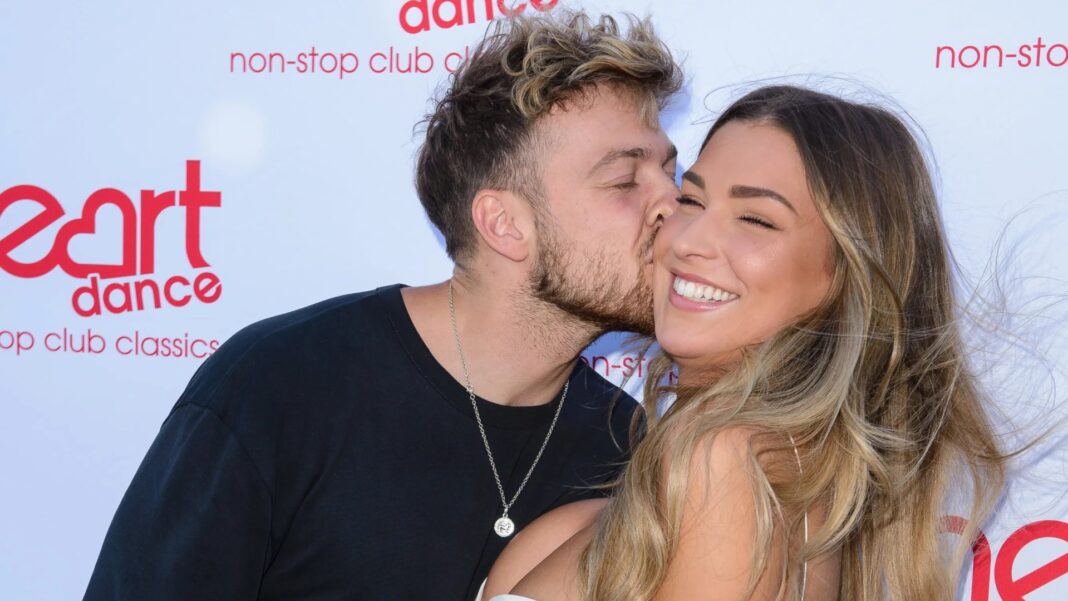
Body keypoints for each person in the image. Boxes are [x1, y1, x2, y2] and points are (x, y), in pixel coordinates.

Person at [82, 12, 682, 601]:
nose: (672, 204)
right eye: (625, 181)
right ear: (504, 224)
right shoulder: (280, 385)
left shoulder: (628, 449)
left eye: (670, 171)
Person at [483, 85, 1008, 601]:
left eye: (755, 220)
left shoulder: (726, 459)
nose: (686, 241)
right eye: (691, 200)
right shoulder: (652, 497)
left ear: (849, 276)